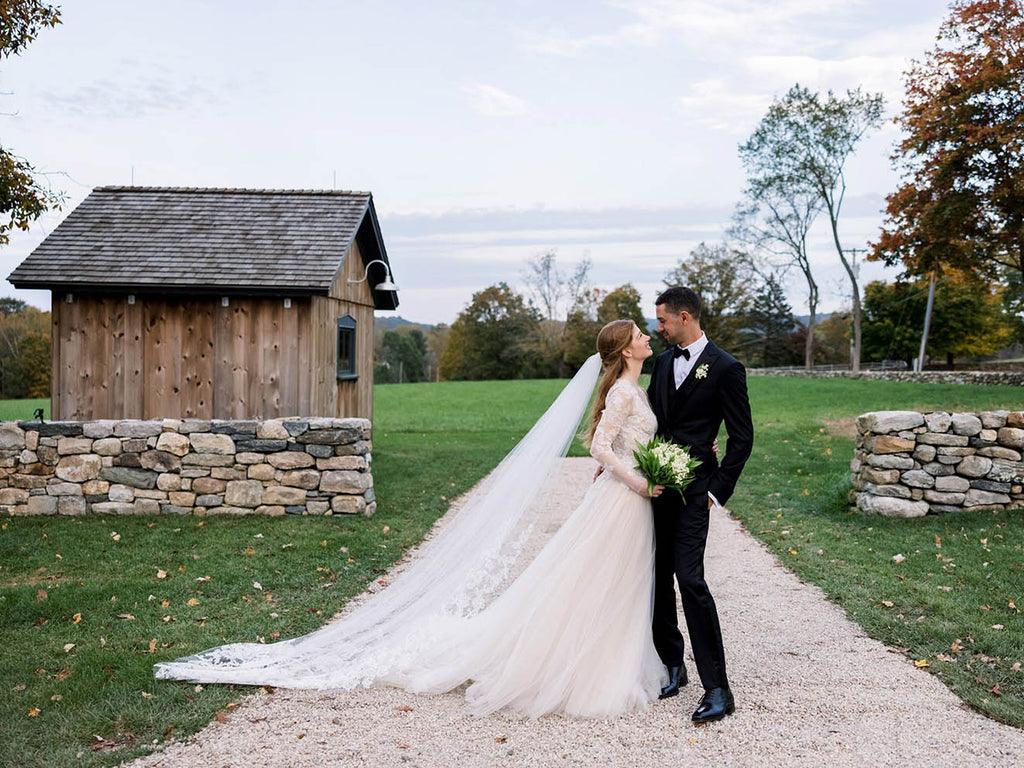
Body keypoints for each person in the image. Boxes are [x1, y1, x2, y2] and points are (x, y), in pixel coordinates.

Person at [156, 320, 669, 718]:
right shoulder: (623, 392)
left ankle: (601, 664)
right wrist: (639, 481)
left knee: (612, 584)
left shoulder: (633, 388)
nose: (648, 337)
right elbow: (602, 448)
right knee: (595, 581)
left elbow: (626, 444)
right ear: (626, 350)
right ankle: (580, 672)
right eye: (641, 335)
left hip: (629, 500)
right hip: (623, 500)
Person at [647, 286, 753, 724]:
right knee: (657, 575)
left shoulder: (727, 368)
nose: (658, 328)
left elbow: (742, 437)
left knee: (690, 580)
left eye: (663, 321)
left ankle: (718, 687)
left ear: (684, 317)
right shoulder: (662, 363)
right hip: (656, 486)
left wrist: (716, 489)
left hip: (695, 492)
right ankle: (673, 664)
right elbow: (652, 420)